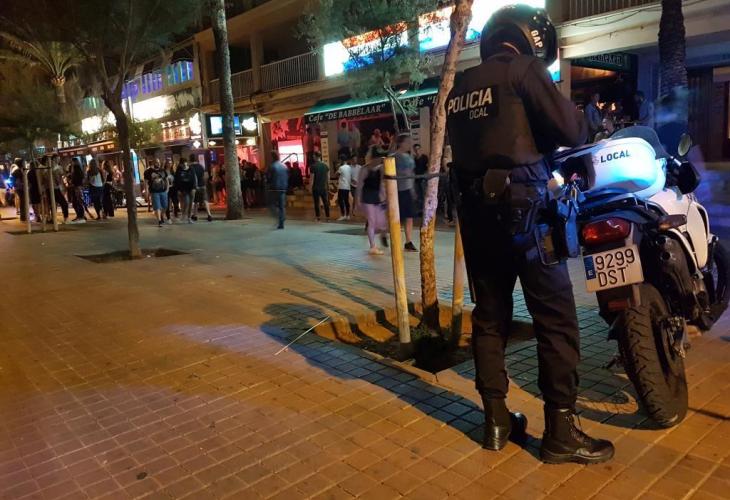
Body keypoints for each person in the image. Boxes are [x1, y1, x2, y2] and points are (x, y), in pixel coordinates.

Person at [446, 5, 614, 464]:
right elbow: (570, 129)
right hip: (528, 217)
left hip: (477, 218)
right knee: (555, 321)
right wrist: (591, 118)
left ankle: (496, 421)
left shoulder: (461, 86)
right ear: (530, 40)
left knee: (490, 317)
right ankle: (560, 431)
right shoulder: (524, 70)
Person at [356, 146, 389, 255]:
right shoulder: (365, 169)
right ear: (373, 158)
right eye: (378, 157)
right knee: (372, 221)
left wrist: (384, 197)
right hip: (367, 197)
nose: (380, 159)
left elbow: (381, 184)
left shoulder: (381, 169)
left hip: (377, 197)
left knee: (382, 222)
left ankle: (383, 235)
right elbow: (359, 186)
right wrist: (357, 201)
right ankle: (372, 246)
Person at [394, 134, 418, 252]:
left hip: (407, 188)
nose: (409, 144)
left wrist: (412, 189)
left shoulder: (409, 157)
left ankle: (408, 241)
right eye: (407, 142)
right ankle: (395, 239)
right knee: (397, 217)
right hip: (398, 189)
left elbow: (412, 173)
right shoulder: (394, 156)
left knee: (409, 216)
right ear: (400, 143)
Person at [189, 154, 213, 222]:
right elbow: (204, 176)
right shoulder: (201, 166)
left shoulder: (190, 167)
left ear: (190, 159)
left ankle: (195, 215)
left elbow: (191, 178)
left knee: (196, 201)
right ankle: (209, 215)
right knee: (205, 200)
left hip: (195, 186)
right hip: (202, 185)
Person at [268, 151, 288, 229]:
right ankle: (281, 221)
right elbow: (287, 176)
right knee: (281, 206)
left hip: (275, 188)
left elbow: (269, 178)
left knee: (272, 205)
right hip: (283, 187)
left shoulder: (272, 166)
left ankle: (280, 217)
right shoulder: (284, 166)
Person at [174, 158, 197, 223]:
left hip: (191, 188)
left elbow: (194, 178)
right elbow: (177, 180)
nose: (184, 165)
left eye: (185, 163)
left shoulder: (191, 169)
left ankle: (189, 218)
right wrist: (178, 189)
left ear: (187, 163)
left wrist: (194, 188)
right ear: (180, 164)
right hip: (184, 189)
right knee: (186, 202)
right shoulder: (179, 170)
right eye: (182, 164)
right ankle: (183, 215)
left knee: (191, 204)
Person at [147, 159, 169, 226]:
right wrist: (147, 192)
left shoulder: (163, 171)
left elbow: (167, 180)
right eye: (156, 162)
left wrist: (167, 189)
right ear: (153, 163)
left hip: (163, 191)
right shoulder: (149, 171)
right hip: (154, 191)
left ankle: (161, 216)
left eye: (159, 162)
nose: (158, 163)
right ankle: (159, 220)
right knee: (157, 206)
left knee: (165, 206)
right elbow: (145, 182)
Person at [310, 151, 330, 222]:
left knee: (316, 203)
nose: (313, 157)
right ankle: (327, 217)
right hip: (323, 187)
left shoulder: (313, 166)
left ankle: (318, 217)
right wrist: (328, 186)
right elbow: (328, 178)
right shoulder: (325, 166)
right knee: (325, 202)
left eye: (313, 156)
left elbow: (312, 178)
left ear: (315, 156)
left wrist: (310, 187)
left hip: (316, 187)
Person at [68, 158, 86, 223]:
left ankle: (80, 216)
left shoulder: (76, 169)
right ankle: (80, 215)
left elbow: (76, 179)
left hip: (76, 187)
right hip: (78, 187)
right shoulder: (78, 169)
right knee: (77, 202)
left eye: (72, 162)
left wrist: (72, 182)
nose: (71, 163)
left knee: (77, 202)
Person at [413, 144, 429, 215]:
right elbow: (414, 169)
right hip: (417, 179)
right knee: (419, 195)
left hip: (423, 179)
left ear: (420, 149)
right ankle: (420, 210)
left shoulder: (424, 157)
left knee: (424, 194)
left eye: (418, 149)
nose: (417, 151)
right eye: (415, 149)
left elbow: (428, 167)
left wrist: (425, 176)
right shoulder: (414, 159)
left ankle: (426, 209)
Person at [336, 155, 352, 221]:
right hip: (347, 186)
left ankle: (343, 215)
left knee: (340, 201)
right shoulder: (349, 167)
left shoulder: (341, 167)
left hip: (342, 186)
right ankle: (348, 215)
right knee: (346, 201)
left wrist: (338, 167)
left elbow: (336, 174)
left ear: (341, 160)